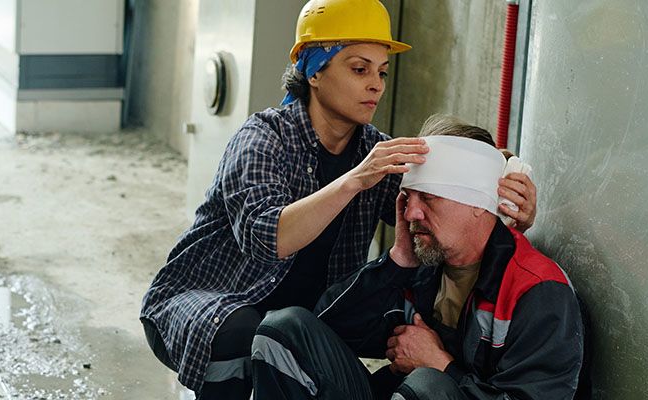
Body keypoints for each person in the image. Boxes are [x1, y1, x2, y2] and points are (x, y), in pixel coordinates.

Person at [139, 0, 539, 398]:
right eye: (359, 68)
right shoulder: (263, 139)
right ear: (314, 71)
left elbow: (436, 203)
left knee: (411, 327)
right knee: (240, 329)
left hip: (305, 318)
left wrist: (502, 180)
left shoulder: (375, 152)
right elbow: (268, 239)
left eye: (382, 72)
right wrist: (353, 180)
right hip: (213, 303)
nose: (377, 85)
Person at [250, 115, 584, 399]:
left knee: (426, 388)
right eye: (407, 197)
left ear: (477, 205)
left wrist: (440, 366)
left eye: (428, 197)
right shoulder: (426, 265)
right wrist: (399, 260)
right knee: (283, 330)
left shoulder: (538, 290)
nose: (410, 212)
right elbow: (332, 330)